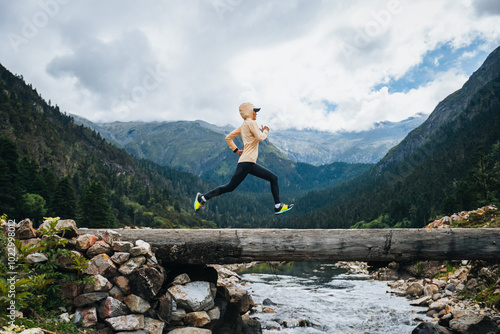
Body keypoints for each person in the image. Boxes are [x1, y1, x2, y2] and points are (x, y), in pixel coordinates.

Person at [194, 102, 293, 215]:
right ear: (249, 112)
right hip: (247, 163)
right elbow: (260, 138)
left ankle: (278, 206)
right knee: (230, 187)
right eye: (254, 111)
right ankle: (202, 198)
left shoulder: (244, 125)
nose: (256, 113)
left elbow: (228, 138)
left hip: (248, 162)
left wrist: (236, 150)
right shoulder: (251, 122)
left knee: (273, 178)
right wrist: (265, 131)